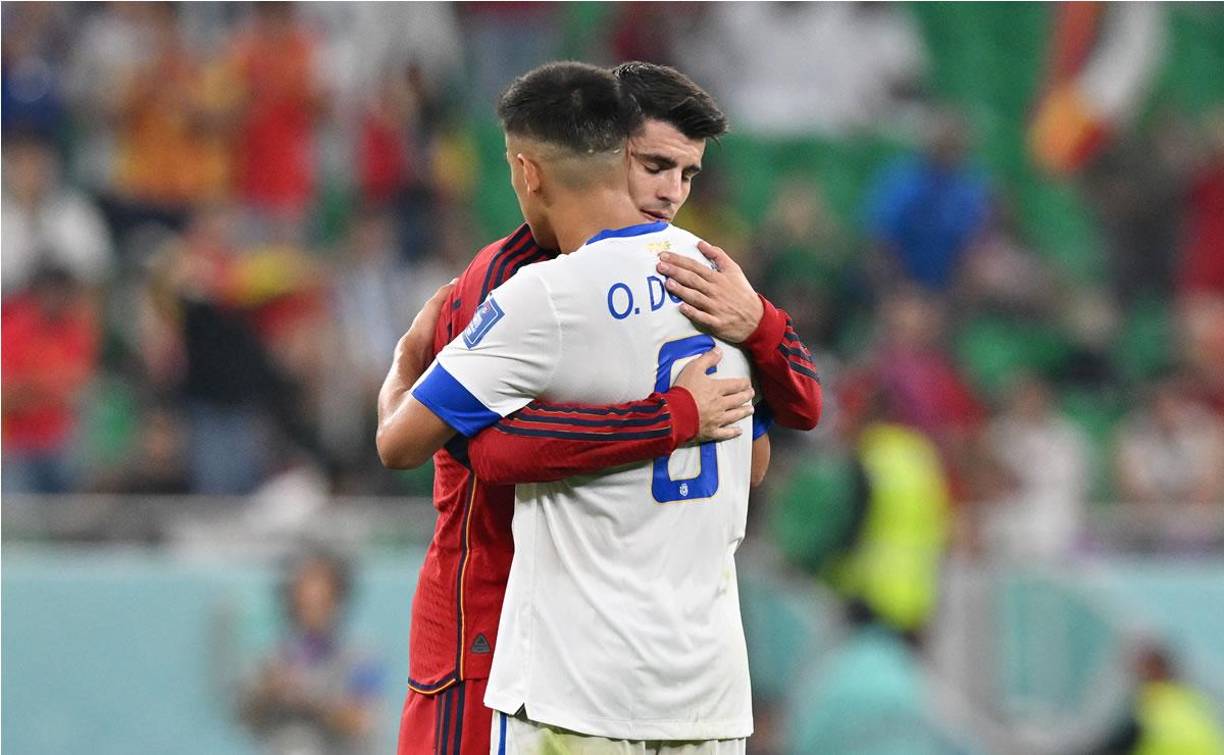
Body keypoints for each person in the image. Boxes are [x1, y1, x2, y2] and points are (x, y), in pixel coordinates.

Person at [378, 63, 822, 754]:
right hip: (501, 630)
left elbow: (444, 443)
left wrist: (408, 358)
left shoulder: (681, 283)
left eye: (687, 174)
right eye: (654, 166)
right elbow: (767, 439)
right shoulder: (698, 278)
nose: (670, 192)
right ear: (609, 155)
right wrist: (677, 414)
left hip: (570, 667)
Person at [239, 548, 384, 755]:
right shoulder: (276, 657)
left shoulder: (361, 657)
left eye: (321, 599)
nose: (311, 604)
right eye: (304, 600)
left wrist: (309, 696)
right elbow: (248, 719)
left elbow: (361, 720)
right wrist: (267, 692)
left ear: (337, 599)